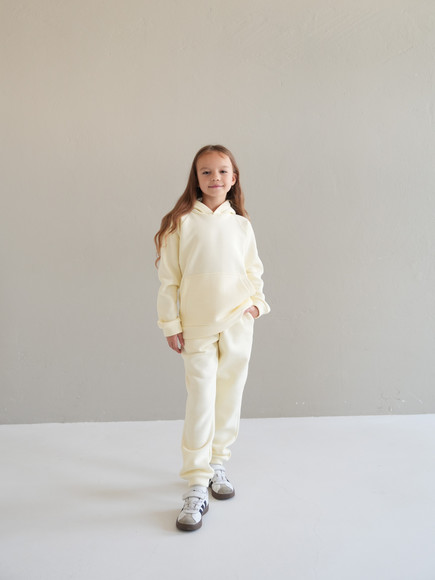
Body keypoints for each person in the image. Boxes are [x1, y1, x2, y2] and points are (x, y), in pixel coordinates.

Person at [154, 145, 270, 531]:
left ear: (233, 178)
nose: (215, 178)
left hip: (237, 323)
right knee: (201, 400)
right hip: (198, 327)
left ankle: (217, 463)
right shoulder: (182, 223)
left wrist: (256, 305)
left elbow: (253, 270)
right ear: (196, 178)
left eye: (222, 171)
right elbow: (169, 280)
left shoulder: (241, 225)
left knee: (229, 396)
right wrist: (171, 323)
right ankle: (195, 482)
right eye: (206, 172)